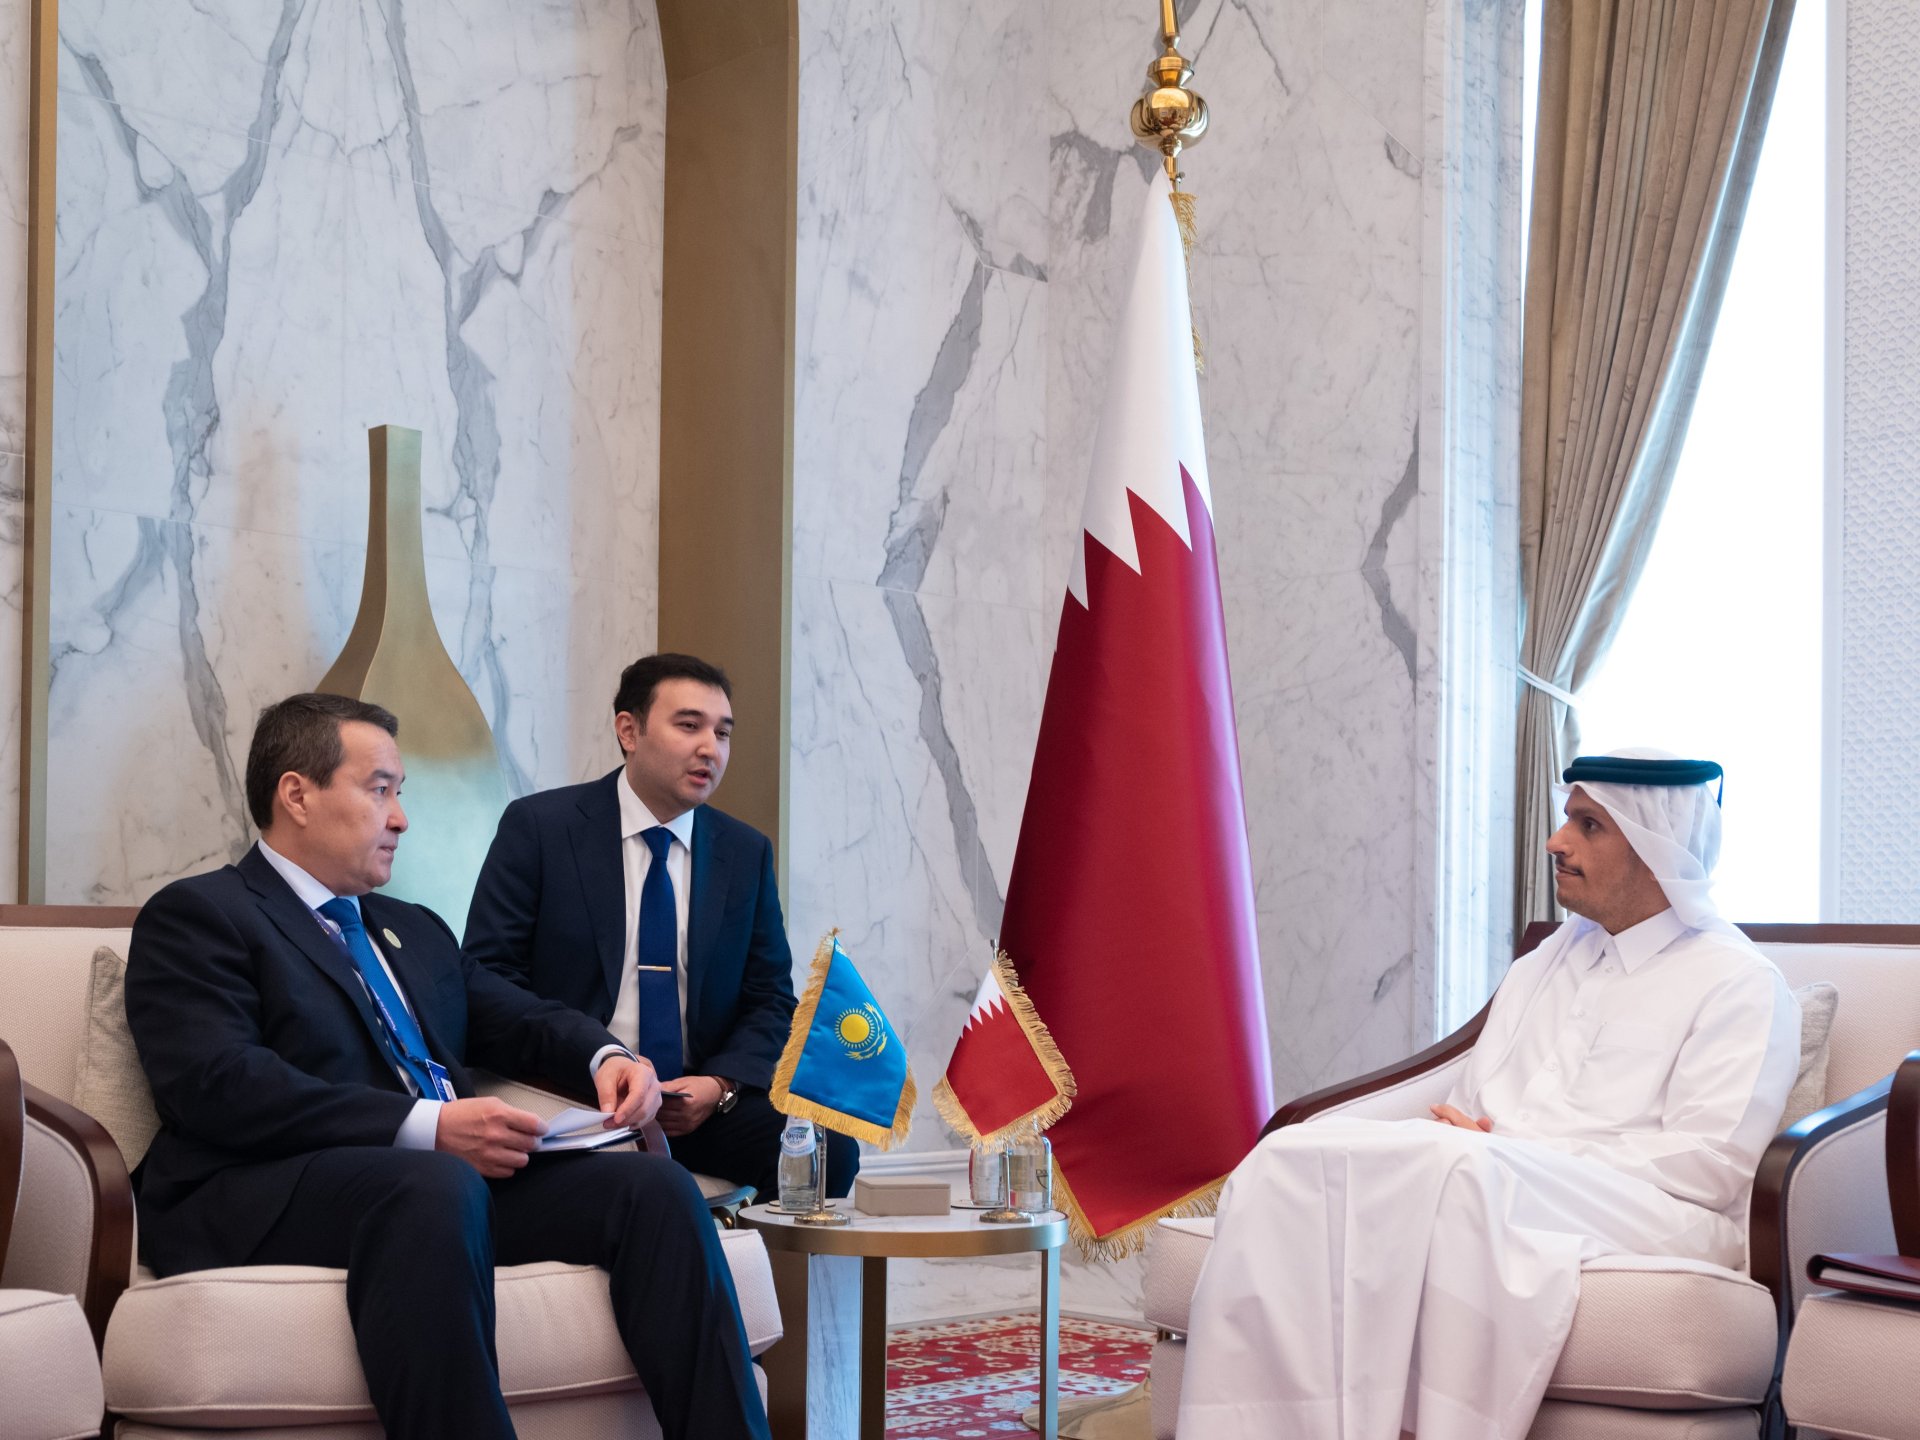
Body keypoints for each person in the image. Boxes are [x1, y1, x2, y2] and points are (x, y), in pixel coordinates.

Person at [125, 693, 770, 1440]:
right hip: (270, 1188)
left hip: (434, 1189)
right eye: (380, 790)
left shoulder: (412, 928)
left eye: (400, 793)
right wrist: (427, 1126)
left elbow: (513, 1016)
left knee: (652, 1188)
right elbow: (219, 1084)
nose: (401, 818)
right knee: (434, 1182)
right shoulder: (202, 914)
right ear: (296, 795)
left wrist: (608, 1055)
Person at [1174, 750, 1801, 1440]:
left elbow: (1711, 1165)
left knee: (1458, 1170)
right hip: (1492, 1171)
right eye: (1566, 819)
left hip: (1660, 1209)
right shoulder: (1545, 962)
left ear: (1658, 849)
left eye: (1588, 825)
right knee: (1292, 1155)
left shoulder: (1737, 981)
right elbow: (1474, 1105)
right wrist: (1488, 1146)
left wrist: (1514, 1153)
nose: (1556, 842)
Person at [464, 652, 858, 1199]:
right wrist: (597, 1058)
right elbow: (489, 978)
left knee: (827, 1150)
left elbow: (769, 998)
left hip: (693, 1107)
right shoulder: (542, 828)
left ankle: (751, 1257)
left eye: (723, 733)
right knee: (647, 1184)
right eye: (689, 726)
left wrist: (719, 1085)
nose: (710, 748)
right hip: (575, 1092)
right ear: (629, 731)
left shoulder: (744, 852)